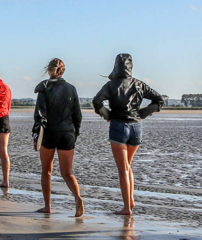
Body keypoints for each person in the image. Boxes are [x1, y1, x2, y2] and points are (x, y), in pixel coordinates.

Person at [92, 53, 164, 215]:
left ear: (116, 66)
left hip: (118, 125)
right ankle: (130, 200)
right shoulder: (139, 84)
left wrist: (107, 115)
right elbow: (159, 100)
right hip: (136, 127)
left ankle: (126, 207)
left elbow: (97, 101)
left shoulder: (111, 85)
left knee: (123, 168)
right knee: (127, 166)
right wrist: (142, 114)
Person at [33, 58, 84, 216]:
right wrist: (75, 133)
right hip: (67, 133)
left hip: (49, 133)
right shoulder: (71, 88)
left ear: (49, 70)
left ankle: (47, 206)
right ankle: (77, 198)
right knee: (67, 173)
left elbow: (39, 115)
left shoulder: (44, 88)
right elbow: (78, 116)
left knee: (46, 171)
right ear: (62, 71)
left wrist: (36, 134)